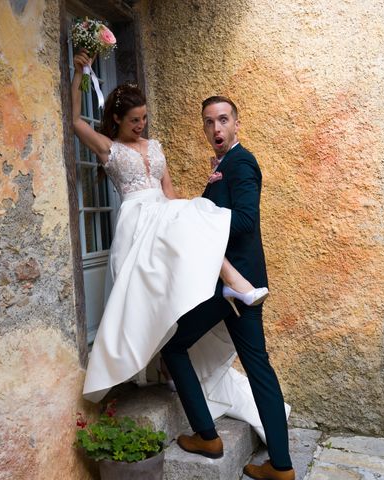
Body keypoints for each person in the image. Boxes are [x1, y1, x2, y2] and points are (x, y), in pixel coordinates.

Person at [70, 51, 267, 406]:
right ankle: (151, 364)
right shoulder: (109, 148)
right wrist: (79, 72)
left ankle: (175, 359)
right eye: (133, 120)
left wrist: (189, 211)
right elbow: (75, 123)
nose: (141, 125)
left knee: (177, 281)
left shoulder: (155, 147)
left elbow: (171, 193)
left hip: (163, 215)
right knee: (145, 301)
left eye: (144, 118)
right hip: (136, 223)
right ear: (116, 119)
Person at [160, 97, 295, 480]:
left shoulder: (241, 162)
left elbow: (246, 221)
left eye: (223, 120)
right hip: (234, 286)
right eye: (209, 123)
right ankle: (281, 467)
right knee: (259, 369)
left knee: (174, 345)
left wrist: (201, 222)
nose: (216, 129)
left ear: (237, 123)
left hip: (236, 287)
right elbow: (215, 216)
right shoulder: (223, 167)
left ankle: (208, 435)